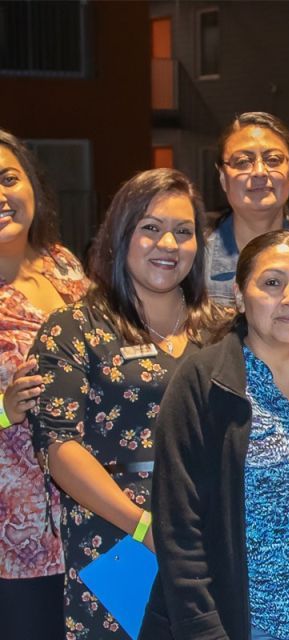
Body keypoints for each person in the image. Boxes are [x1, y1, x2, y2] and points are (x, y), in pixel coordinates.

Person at [140, 230, 289, 640]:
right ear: (238, 294)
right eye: (271, 283)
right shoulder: (204, 381)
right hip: (243, 626)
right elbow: (180, 533)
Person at [29, 168, 227, 639]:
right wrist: (144, 527)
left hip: (212, 534)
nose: (168, 244)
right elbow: (58, 446)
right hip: (117, 538)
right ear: (121, 235)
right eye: (151, 228)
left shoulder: (224, 329)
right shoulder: (75, 326)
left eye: (184, 232)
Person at [0, 128, 90, 640]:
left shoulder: (65, 266)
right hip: (18, 533)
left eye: (8, 178)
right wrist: (3, 408)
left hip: (90, 509)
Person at [206, 111, 289, 307]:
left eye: (273, 160)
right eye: (243, 161)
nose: (259, 172)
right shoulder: (195, 262)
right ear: (222, 177)